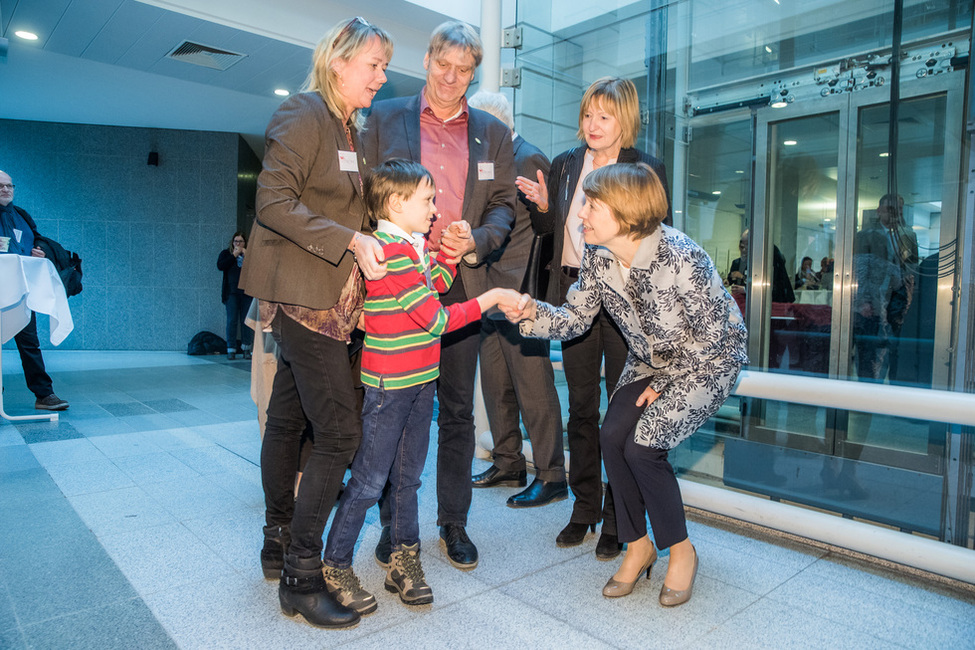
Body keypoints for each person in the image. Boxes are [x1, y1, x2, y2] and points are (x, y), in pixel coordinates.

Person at [502, 162, 747, 606]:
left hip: (708, 361)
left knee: (644, 443)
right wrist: (529, 313)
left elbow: (715, 338)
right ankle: (637, 545)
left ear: (625, 210)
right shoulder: (597, 257)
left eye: (591, 205)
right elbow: (575, 319)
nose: (582, 215)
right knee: (612, 435)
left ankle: (681, 550)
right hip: (651, 360)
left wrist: (669, 382)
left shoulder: (681, 256)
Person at [238, 16, 392, 629]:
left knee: (289, 417)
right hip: (304, 296)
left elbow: (355, 210)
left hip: (326, 296)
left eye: (383, 67)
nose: (381, 78)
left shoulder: (351, 126)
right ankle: (303, 576)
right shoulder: (304, 113)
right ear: (338, 62)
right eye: (373, 65)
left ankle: (278, 541)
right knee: (339, 434)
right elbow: (272, 203)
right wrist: (351, 240)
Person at [320, 159, 518, 613]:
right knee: (370, 482)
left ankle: (402, 559)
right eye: (428, 200)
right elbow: (436, 319)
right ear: (395, 203)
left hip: (419, 383)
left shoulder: (411, 248)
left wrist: (447, 254)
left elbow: (438, 284)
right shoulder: (390, 252)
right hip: (391, 387)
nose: (435, 209)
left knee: (407, 479)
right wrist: (488, 299)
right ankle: (334, 563)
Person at [361, 21, 516, 571]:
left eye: (464, 70)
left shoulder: (492, 133)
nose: (451, 79)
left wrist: (476, 238)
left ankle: (453, 523)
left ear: (475, 73)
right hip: (396, 285)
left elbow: (503, 206)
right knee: (392, 414)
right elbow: (363, 196)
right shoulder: (382, 118)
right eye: (443, 66)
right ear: (426, 60)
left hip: (460, 285)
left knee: (455, 412)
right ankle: (394, 527)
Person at [515, 77, 670, 559]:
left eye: (604, 116)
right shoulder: (565, 164)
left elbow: (656, 237)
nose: (593, 125)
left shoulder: (644, 166)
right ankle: (583, 507)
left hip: (624, 301)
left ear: (625, 119)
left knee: (621, 412)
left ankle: (617, 518)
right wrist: (544, 208)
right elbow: (554, 232)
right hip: (575, 292)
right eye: (587, 115)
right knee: (581, 408)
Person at [466, 91, 568, 508]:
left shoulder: (529, 158)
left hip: (521, 292)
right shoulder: (494, 159)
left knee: (533, 386)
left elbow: (551, 227)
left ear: (500, 124)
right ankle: (508, 461)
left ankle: (551, 474)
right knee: (495, 382)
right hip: (488, 286)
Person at [0, 170, 69, 411]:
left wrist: (40, 250)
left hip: (20, 293)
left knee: (29, 342)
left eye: (9, 185)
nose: (6, 190)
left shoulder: (21, 215)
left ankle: (44, 394)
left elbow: (37, 240)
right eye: (0, 186)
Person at [217, 231, 253, 360]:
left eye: (240, 241)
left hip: (246, 293)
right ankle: (231, 349)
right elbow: (220, 266)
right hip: (231, 293)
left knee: (246, 322)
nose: (238, 244)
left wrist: (247, 256)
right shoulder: (226, 253)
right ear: (232, 242)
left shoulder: (249, 254)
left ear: (245, 243)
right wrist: (234, 255)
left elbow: (257, 268)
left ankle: (246, 348)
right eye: (236, 241)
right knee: (232, 320)